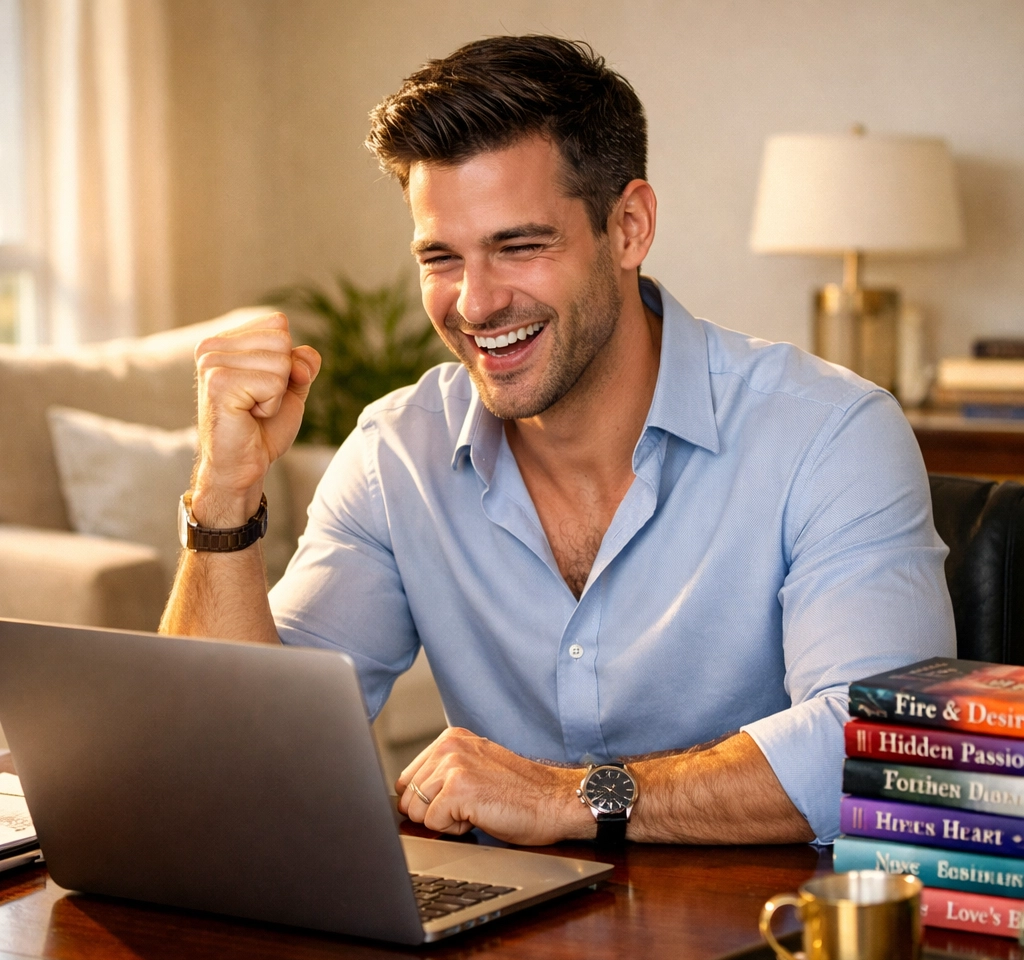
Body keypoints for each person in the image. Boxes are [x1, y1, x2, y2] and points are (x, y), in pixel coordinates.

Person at [161, 35, 955, 847]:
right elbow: (232, 761)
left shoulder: (828, 432)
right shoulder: (397, 452)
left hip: (758, 948)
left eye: (519, 246)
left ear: (629, 227)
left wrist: (572, 798)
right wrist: (226, 492)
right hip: (493, 952)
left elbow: (884, 747)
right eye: (441, 256)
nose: (474, 303)